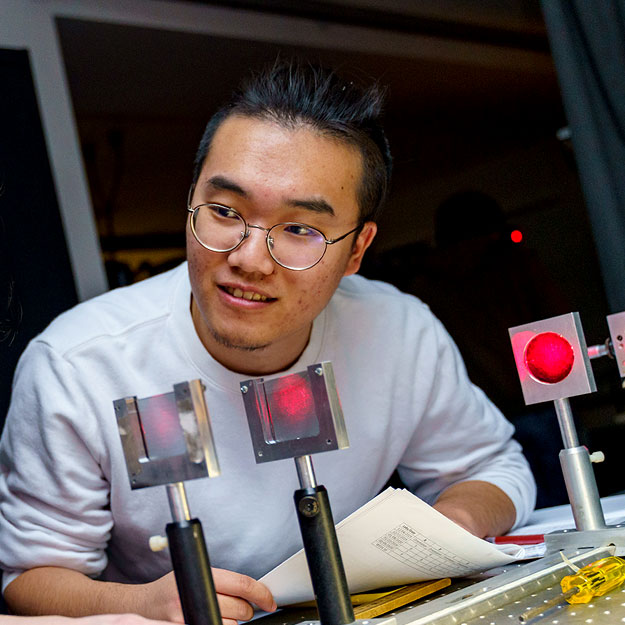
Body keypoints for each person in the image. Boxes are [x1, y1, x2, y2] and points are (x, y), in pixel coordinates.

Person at [0, 59, 536, 622]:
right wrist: (140, 604)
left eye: (301, 229)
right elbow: (31, 575)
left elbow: (492, 467)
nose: (248, 260)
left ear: (357, 250)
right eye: (226, 211)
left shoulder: (399, 331)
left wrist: (450, 527)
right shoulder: (81, 364)